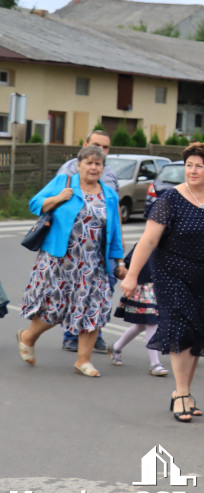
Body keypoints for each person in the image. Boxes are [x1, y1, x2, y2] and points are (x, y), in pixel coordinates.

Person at [121, 142, 204, 422]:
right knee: (179, 330)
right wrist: (131, 275)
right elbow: (148, 240)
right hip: (172, 274)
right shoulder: (169, 200)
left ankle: (182, 392)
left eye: (199, 166)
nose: (192, 170)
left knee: (198, 334)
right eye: (189, 165)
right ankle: (182, 392)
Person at [16, 145, 126, 377]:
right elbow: (35, 204)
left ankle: (83, 361)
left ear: (103, 168)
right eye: (89, 162)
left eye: (98, 164)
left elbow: (114, 231)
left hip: (93, 263)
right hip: (59, 260)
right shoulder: (64, 183)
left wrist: (119, 262)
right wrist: (57, 199)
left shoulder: (109, 194)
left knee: (94, 308)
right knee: (54, 308)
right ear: (79, 165)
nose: (93, 167)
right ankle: (28, 337)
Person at [58, 129, 118, 354]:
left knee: (105, 286)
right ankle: (72, 335)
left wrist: (117, 246)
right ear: (84, 145)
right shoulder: (69, 171)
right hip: (76, 245)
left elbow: (114, 210)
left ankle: (95, 332)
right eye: (96, 145)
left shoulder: (110, 173)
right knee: (77, 288)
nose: (101, 151)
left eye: (105, 147)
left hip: (104, 243)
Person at [108, 243, 167, 376]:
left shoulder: (171, 244)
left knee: (141, 325)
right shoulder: (144, 243)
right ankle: (155, 363)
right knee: (152, 322)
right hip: (144, 288)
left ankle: (116, 347)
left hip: (160, 288)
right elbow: (127, 264)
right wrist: (123, 271)